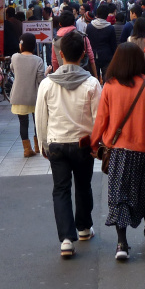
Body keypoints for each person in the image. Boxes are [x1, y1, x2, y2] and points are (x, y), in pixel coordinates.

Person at [89, 43, 145, 261]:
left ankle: (122, 244)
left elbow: (101, 120)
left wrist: (94, 143)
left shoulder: (109, 86)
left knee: (120, 196)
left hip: (119, 152)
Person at [35, 31, 102, 257]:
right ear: (84, 54)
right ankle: (83, 227)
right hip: (83, 144)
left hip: (56, 144)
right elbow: (99, 118)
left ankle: (66, 239)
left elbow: (40, 117)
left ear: (60, 54)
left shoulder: (47, 84)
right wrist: (97, 143)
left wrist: (43, 144)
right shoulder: (92, 83)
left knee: (61, 189)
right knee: (83, 185)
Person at [10, 32, 46, 157]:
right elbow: (41, 79)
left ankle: (27, 149)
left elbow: (12, 69)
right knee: (37, 122)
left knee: (23, 123)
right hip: (34, 96)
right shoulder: (38, 60)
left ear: (21, 45)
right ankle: (38, 146)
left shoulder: (14, 57)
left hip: (18, 95)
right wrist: (47, 72)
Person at [51, 11, 97, 76]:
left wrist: (57, 76)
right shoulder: (83, 37)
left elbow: (54, 61)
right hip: (82, 76)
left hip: (63, 76)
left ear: (60, 24)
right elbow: (91, 58)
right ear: (74, 23)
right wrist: (95, 76)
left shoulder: (55, 40)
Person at [86, 5, 117, 83]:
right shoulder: (110, 28)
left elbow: (87, 42)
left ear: (97, 13)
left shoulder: (89, 26)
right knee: (107, 79)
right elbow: (113, 45)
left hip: (92, 55)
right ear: (106, 15)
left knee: (93, 79)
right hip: (107, 56)